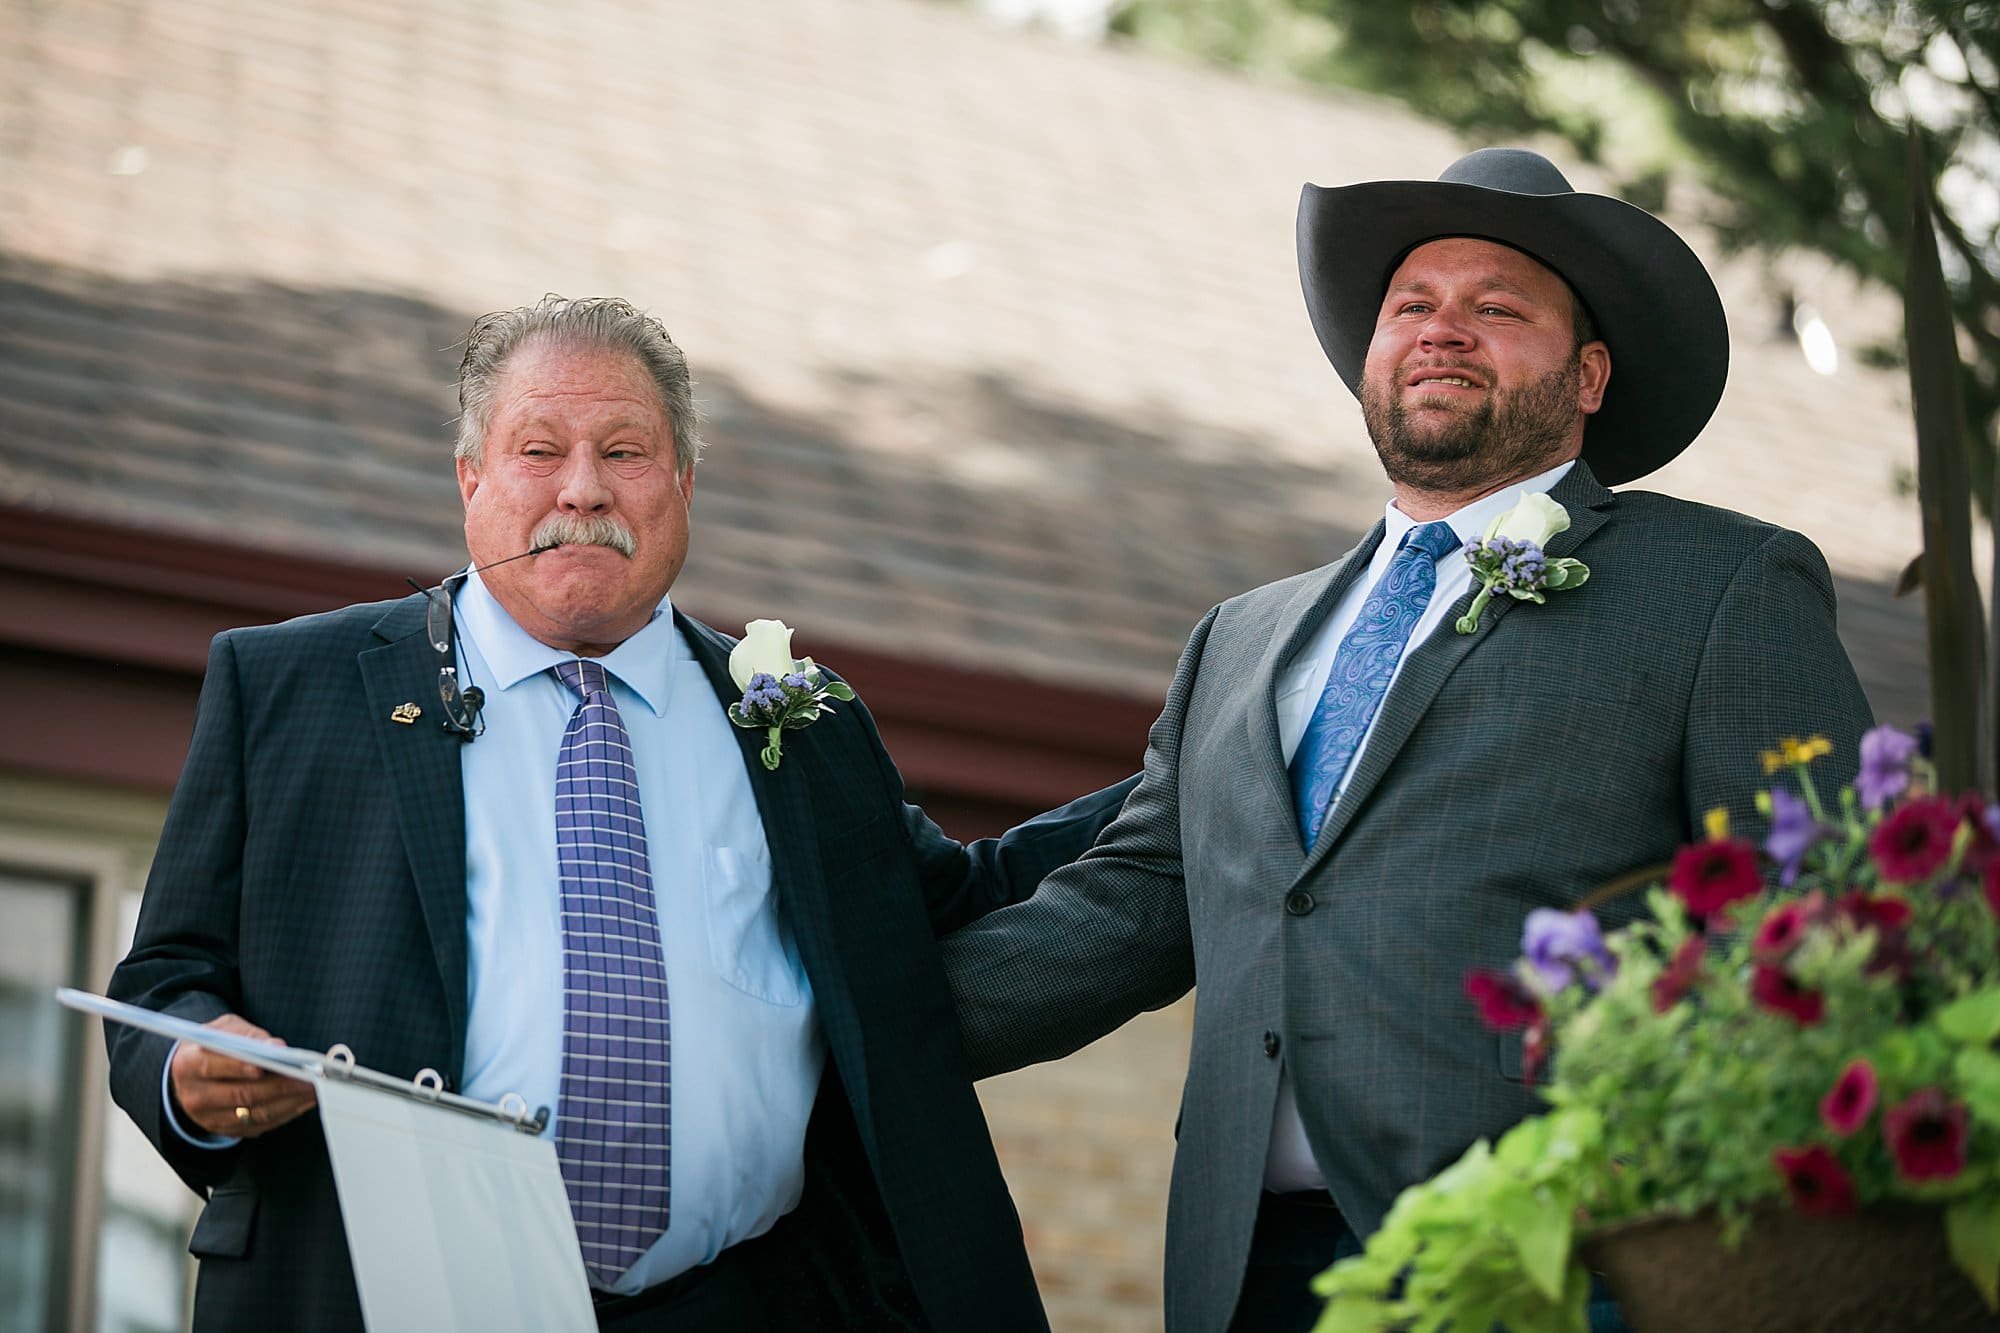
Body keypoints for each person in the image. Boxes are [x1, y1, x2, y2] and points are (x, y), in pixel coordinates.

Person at [941, 148, 1875, 1332]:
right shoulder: (1240, 637)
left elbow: (1824, 926)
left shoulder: (1717, 586)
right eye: (1411, 306)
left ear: (1587, 374)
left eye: (1496, 307)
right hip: (1246, 1271)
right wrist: (830, 1035)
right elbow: (1127, 906)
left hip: (1554, 1262)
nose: (1442, 331)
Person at [106, 295, 1132, 1332]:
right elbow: (165, 982)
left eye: (626, 451)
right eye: (539, 449)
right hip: (377, 1301)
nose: (583, 487)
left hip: (738, 1304)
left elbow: (967, 897)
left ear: (682, 484)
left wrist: (1209, 771)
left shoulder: (796, 722)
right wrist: (189, 1069)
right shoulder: (290, 687)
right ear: (472, 480)